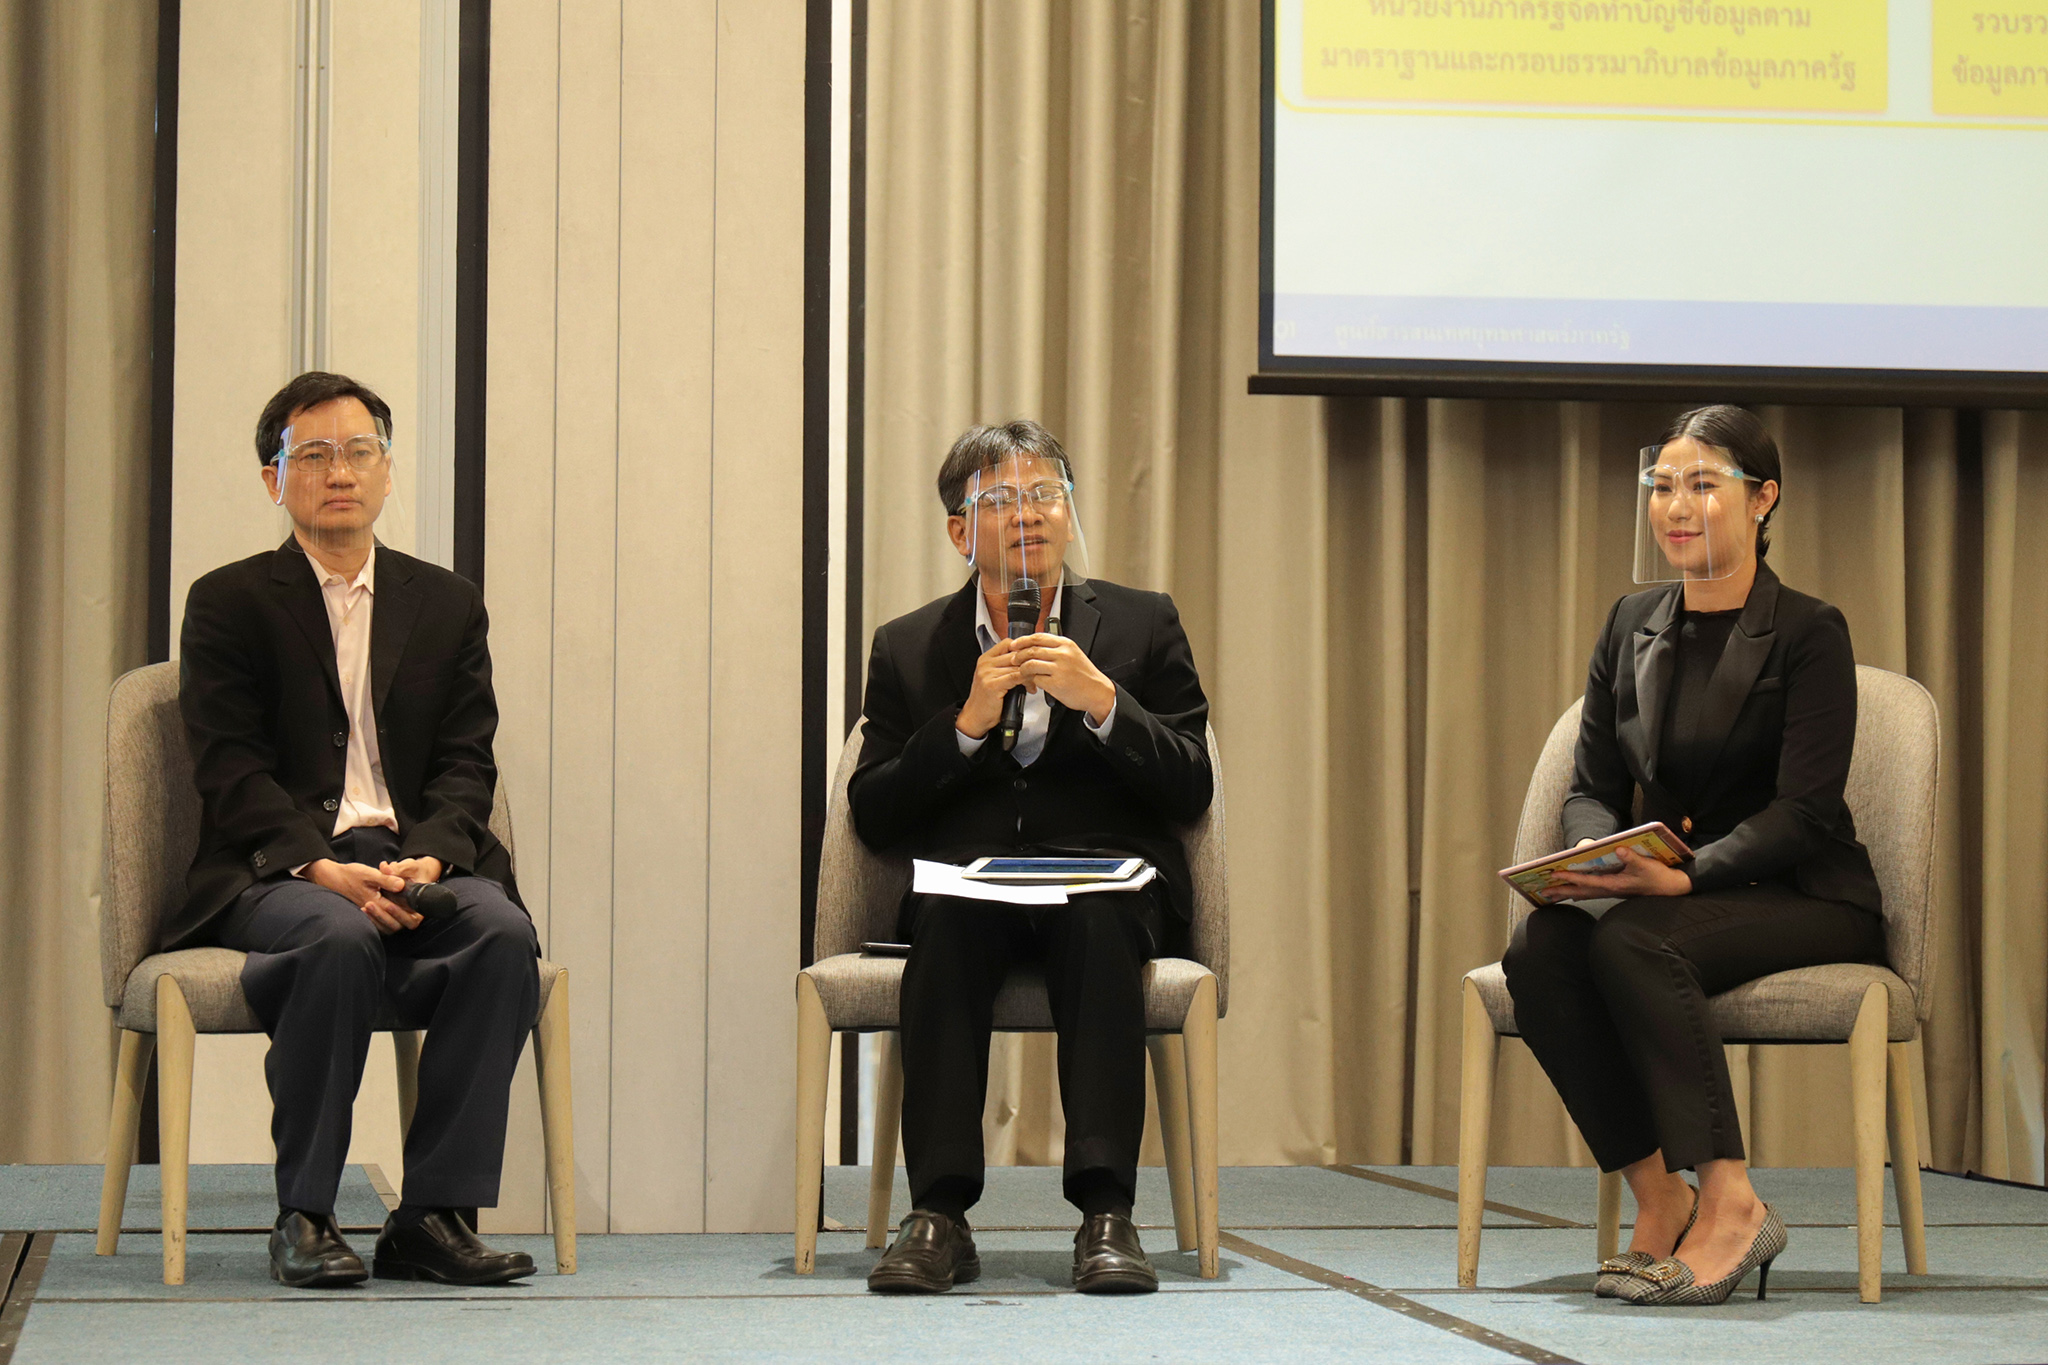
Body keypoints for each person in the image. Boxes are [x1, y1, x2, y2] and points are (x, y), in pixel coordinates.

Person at [1502, 404, 1887, 1307]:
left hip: (1803, 890)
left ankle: (1733, 1201)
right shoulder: (1630, 621)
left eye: (1703, 484)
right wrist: (1595, 848)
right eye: (1662, 485)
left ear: (1763, 498)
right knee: (1542, 948)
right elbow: (1592, 781)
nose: (1676, 505)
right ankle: (1660, 1195)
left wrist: (1684, 873)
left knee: (1634, 941)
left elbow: (1806, 809)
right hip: (1672, 889)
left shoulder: (1809, 630)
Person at [174, 372, 541, 1289]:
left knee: (501, 931)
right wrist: (318, 865)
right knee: (335, 937)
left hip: (412, 858)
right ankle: (304, 1213)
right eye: (313, 455)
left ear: (385, 470)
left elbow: (467, 759)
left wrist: (435, 856)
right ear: (274, 479)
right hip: (279, 873)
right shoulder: (227, 602)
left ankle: (432, 1217)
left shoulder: (446, 602)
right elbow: (229, 768)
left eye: (359, 451)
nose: (339, 472)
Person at [850, 421, 1213, 1295]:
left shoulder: (1143, 621)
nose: (1029, 514)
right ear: (959, 529)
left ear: (1069, 511)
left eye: (1045, 493)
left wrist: (1104, 701)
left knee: (1098, 920)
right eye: (1002, 499)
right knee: (945, 922)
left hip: (1108, 883)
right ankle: (939, 1213)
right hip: (972, 887)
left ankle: (1107, 1211)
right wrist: (965, 725)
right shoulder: (908, 644)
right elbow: (874, 809)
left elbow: (1192, 782)